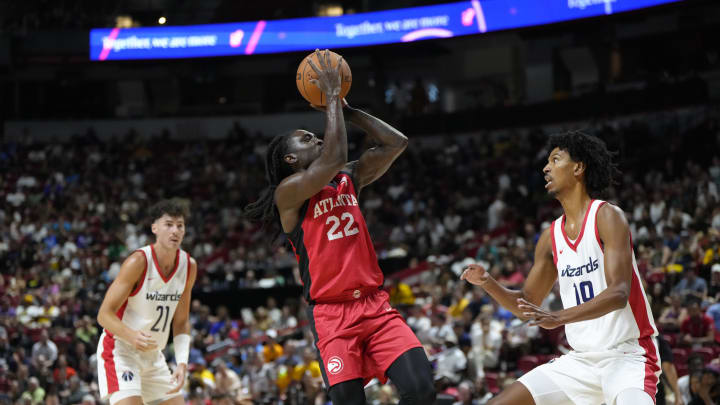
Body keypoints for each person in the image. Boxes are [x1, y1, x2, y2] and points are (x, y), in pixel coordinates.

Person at [244, 49, 435, 405]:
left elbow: (397, 142)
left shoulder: (349, 177)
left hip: (376, 307)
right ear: (290, 160)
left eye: (316, 136)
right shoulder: (289, 194)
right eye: (306, 140)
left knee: (422, 390)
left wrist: (349, 111)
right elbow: (331, 157)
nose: (317, 139)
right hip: (332, 315)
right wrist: (330, 96)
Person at [462, 131, 660, 405]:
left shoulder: (607, 216)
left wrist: (559, 317)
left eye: (556, 160)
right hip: (581, 361)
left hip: (628, 356)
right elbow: (528, 305)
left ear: (578, 168)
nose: (546, 168)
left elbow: (618, 294)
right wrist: (488, 283)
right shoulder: (549, 237)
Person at [96, 198, 197, 405]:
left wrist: (182, 362)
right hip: (121, 350)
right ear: (155, 228)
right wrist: (131, 335)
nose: (175, 231)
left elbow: (181, 322)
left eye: (180, 226)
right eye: (168, 225)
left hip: (154, 355)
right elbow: (104, 314)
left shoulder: (188, 266)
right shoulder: (138, 261)